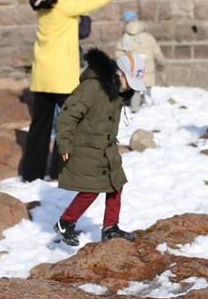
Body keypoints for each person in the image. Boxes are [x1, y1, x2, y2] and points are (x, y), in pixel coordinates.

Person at [21, 0, 118, 182]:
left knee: (39, 127)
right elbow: (89, 3)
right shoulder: (64, 5)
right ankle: (60, 170)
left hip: (42, 77)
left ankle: (31, 173)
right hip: (61, 78)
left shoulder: (44, 3)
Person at [53, 49, 145, 246]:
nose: (130, 88)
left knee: (116, 185)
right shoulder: (92, 87)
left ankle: (110, 227)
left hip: (105, 148)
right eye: (130, 81)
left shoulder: (115, 91)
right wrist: (64, 144)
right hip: (85, 147)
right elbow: (68, 115)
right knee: (91, 188)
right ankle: (65, 222)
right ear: (119, 73)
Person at [114, 10, 165, 112]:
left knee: (135, 89)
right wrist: (162, 64)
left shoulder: (123, 39)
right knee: (147, 85)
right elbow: (157, 52)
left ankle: (134, 108)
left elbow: (118, 56)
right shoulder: (148, 37)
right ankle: (148, 102)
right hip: (148, 68)